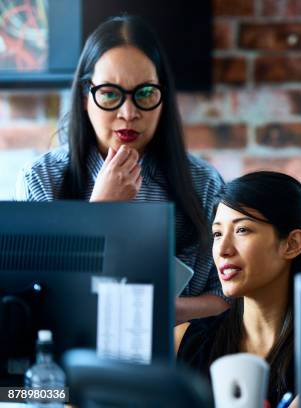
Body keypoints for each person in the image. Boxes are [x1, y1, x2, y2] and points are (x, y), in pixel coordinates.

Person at [14, 15, 228, 323]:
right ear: (86, 97)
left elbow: (231, 296)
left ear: (163, 96)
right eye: (111, 94)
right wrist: (101, 211)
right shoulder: (41, 179)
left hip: (179, 358)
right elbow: (35, 300)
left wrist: (166, 311)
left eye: (144, 94)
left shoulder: (204, 183)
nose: (129, 113)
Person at [177, 171, 301, 408]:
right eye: (217, 233)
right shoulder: (182, 342)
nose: (223, 249)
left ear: (292, 244)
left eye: (242, 230)